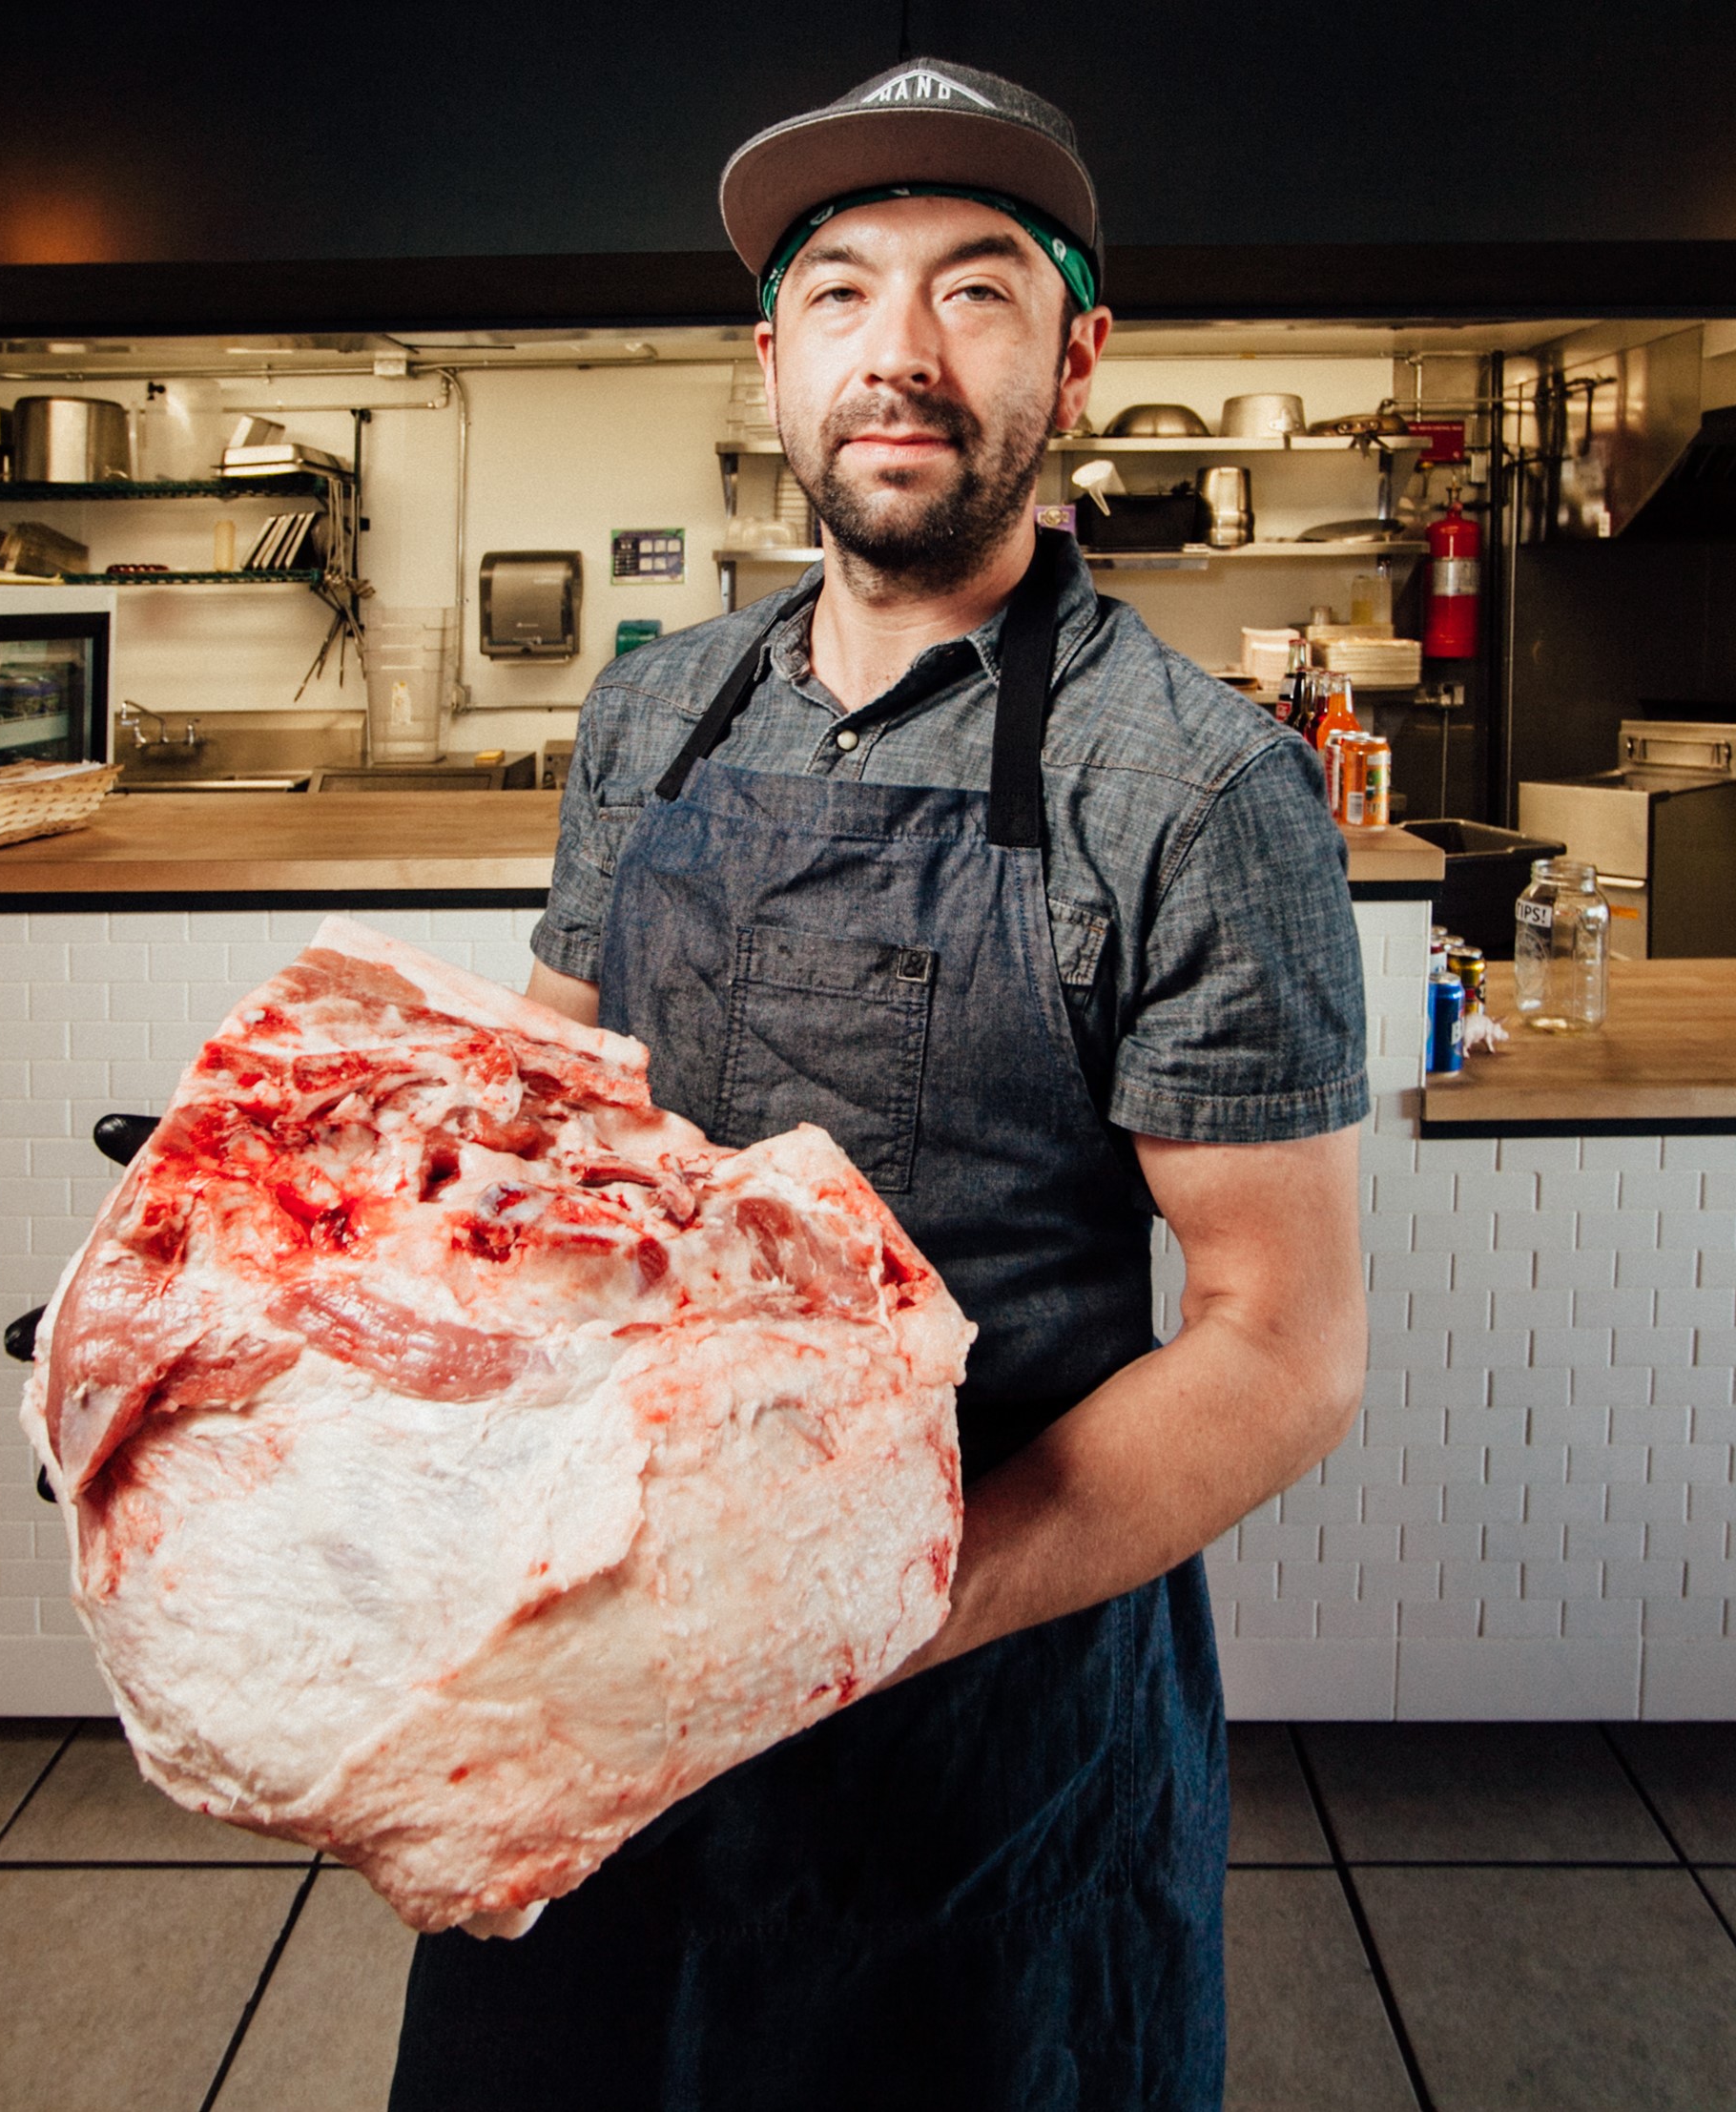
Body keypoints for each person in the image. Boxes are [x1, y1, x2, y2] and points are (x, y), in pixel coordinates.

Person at [390, 56, 1369, 2112]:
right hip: (613, 1670)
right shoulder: (655, 710)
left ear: (1077, 358)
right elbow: (548, 1131)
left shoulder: (1197, 786)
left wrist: (860, 1612)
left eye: (977, 291)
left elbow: (1285, 1350)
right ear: (774, 363)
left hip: (982, 1742)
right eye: (840, 293)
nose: (898, 354)